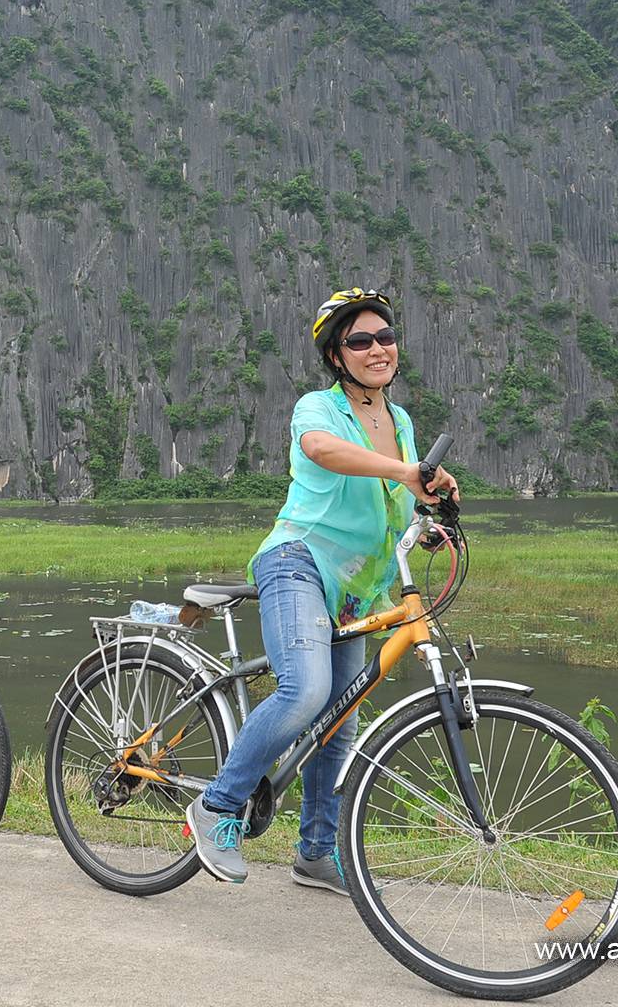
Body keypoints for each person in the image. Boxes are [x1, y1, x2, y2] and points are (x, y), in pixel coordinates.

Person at [186, 288, 459, 891]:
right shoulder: (318, 408)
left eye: (384, 336)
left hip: (358, 587)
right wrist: (403, 470)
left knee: (339, 721)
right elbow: (323, 451)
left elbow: (396, 496)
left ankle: (315, 853)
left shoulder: (400, 421)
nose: (376, 349)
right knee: (307, 689)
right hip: (296, 561)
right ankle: (216, 808)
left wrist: (430, 510)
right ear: (338, 356)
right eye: (359, 341)